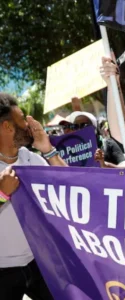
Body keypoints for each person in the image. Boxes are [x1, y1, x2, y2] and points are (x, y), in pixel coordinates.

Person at [0, 93, 67, 299]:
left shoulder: (31, 158)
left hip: (40, 261)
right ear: (8, 127)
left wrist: (47, 149)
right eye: (23, 118)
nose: (30, 122)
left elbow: (68, 186)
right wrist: (2, 193)